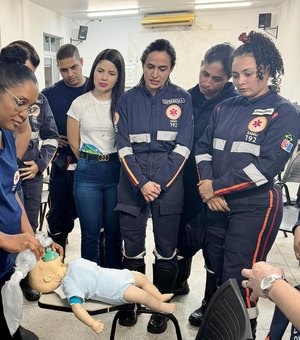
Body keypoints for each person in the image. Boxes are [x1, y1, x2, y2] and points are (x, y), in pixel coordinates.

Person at [195, 30, 300, 337]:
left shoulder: (285, 112)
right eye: (235, 75)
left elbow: (267, 166)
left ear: (266, 71)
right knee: (214, 268)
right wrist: (206, 185)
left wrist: (215, 187)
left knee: (239, 276)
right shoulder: (224, 107)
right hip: (215, 202)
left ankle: (243, 331)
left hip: (254, 207)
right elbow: (203, 147)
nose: (240, 81)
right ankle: (218, 326)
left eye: (247, 74)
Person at [114, 39, 193, 333]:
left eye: (162, 68)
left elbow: (184, 147)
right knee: (132, 250)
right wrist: (141, 183)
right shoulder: (126, 100)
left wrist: (156, 183)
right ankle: (132, 303)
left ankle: (159, 307)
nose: (155, 73)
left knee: (166, 250)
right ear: (143, 64)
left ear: (171, 68)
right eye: (150, 66)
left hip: (169, 187)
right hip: (132, 184)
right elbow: (122, 146)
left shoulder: (183, 100)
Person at [173, 43, 238, 327]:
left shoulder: (234, 104)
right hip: (185, 182)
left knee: (214, 247)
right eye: (204, 74)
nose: (207, 83)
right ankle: (178, 283)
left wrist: (212, 186)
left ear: (229, 79)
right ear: (200, 65)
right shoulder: (185, 98)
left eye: (217, 78)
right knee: (181, 238)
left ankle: (209, 302)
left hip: (217, 186)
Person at [0, 46, 63, 340]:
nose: (25, 114)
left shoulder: (7, 139)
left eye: (30, 107)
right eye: (20, 103)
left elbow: (12, 193)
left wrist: (33, 238)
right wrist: (8, 239)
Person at [67, 49, 124, 267]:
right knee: (89, 233)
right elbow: (74, 142)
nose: (104, 77)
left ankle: (112, 281)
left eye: (111, 73)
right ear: (93, 71)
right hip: (87, 171)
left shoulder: (123, 103)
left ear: (119, 77)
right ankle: (90, 281)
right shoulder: (79, 103)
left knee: (113, 232)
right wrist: (90, 159)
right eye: (100, 71)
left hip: (116, 171)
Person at [29, 251, 176, 334]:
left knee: (143, 278)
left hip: (117, 275)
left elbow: (55, 255)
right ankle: (162, 308)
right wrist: (92, 323)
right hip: (115, 290)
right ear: (48, 278)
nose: (44, 258)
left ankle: (159, 296)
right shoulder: (69, 285)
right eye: (43, 261)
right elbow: (77, 307)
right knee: (142, 296)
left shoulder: (70, 264)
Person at [42, 44, 88, 254]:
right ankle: (54, 269)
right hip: (62, 164)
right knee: (59, 218)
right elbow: (35, 125)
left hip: (92, 164)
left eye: (73, 67)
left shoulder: (96, 88)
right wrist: (50, 137)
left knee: (94, 219)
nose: (69, 74)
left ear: (81, 62)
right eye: (63, 70)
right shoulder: (49, 94)